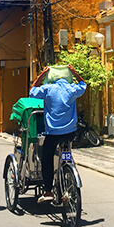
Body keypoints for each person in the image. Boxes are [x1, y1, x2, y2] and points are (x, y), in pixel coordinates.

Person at [29, 64, 86, 203]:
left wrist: (41, 76)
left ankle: (48, 191)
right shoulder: (72, 89)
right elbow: (83, 84)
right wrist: (74, 71)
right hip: (70, 133)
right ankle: (67, 164)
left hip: (53, 133)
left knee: (47, 159)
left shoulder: (48, 89)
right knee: (66, 150)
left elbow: (32, 91)